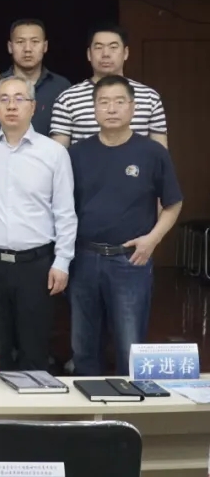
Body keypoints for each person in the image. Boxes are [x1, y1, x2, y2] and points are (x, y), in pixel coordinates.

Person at [68, 75, 182, 376]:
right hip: (84, 259)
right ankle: (87, 400)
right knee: (83, 346)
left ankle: (129, 401)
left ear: (132, 107)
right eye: (103, 102)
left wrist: (152, 239)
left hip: (130, 260)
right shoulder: (76, 154)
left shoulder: (152, 152)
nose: (111, 109)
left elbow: (173, 203)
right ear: (94, 108)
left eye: (119, 102)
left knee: (129, 345)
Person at [0, 75, 77, 372]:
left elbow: (65, 211)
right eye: (4, 99)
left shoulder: (54, 153)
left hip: (37, 266)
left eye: (20, 99)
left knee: (35, 348)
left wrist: (63, 261)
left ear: (34, 106)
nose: (11, 106)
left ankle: (33, 400)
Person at [51, 24, 168, 148]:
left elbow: (160, 152)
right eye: (98, 47)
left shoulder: (150, 97)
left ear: (126, 53)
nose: (105, 54)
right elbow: (58, 154)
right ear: (89, 54)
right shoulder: (68, 99)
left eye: (113, 47)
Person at [0, 18, 71, 135]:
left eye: (35, 42)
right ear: (10, 47)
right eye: (20, 42)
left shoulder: (61, 87)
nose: (27, 49)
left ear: (45, 46)